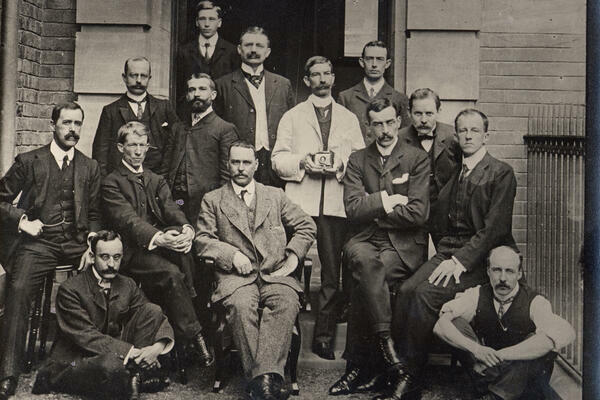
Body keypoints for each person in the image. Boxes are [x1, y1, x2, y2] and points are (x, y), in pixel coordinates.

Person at [387, 109, 518, 400]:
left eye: (475, 130)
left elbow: (494, 231)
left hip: (480, 257)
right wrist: (446, 253)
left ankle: (412, 379)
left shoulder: (500, 172)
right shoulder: (457, 170)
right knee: (407, 290)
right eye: (463, 130)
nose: (469, 135)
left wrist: (458, 261)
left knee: (426, 295)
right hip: (450, 249)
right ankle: (396, 369)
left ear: (486, 135)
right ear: (456, 135)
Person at [195, 141, 316, 400]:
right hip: (235, 279)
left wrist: (294, 257)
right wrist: (231, 254)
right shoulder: (213, 200)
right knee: (240, 306)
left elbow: (306, 225)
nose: (240, 168)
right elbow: (202, 240)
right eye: (235, 162)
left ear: (256, 165)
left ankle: (260, 384)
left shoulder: (275, 195)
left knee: (286, 301)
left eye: (246, 162)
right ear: (228, 164)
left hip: (275, 275)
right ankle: (267, 382)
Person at [0, 102, 101, 399]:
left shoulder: (90, 166)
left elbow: (95, 211)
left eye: (77, 124)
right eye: (66, 123)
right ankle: (8, 372)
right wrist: (22, 221)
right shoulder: (30, 161)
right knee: (18, 289)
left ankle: (87, 364)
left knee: (107, 278)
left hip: (77, 244)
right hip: (39, 243)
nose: (72, 129)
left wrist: (92, 244)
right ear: (53, 125)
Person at [329, 98, 430, 396]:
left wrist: (375, 209)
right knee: (363, 261)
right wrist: (390, 200)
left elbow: (418, 213)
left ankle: (360, 368)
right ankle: (390, 357)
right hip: (363, 240)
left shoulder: (417, 158)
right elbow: (352, 209)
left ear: (399, 121)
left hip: (402, 244)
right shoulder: (358, 159)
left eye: (389, 122)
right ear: (368, 126)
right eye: (377, 124)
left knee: (368, 276)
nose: (384, 130)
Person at [271, 56, 365, 360]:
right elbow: (277, 159)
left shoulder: (349, 118)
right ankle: (288, 333)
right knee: (290, 267)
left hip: (335, 204)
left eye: (327, 74)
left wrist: (339, 165)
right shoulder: (293, 116)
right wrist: (303, 161)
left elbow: (360, 161)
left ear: (333, 79)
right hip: (300, 202)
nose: (322, 79)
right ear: (307, 81)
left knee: (330, 273)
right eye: (315, 75)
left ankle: (323, 337)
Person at [101, 121, 213, 368]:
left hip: (160, 249)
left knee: (184, 246)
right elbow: (127, 221)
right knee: (173, 273)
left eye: (143, 145)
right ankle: (195, 335)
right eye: (132, 145)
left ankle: (186, 324)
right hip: (131, 252)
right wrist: (160, 238)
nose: (139, 151)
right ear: (121, 148)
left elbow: (171, 208)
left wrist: (186, 230)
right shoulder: (112, 182)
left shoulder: (155, 178)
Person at [32, 231, 175, 400]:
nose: (111, 264)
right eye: (105, 257)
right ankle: (137, 375)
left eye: (116, 257)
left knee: (153, 310)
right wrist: (134, 353)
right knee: (110, 366)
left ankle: (132, 375)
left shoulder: (127, 284)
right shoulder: (70, 289)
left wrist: (155, 349)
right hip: (77, 359)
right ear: (92, 257)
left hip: (116, 353)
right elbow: (87, 337)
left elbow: (155, 315)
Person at [433, 246, 575, 400]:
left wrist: (498, 356)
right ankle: (495, 390)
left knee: (535, 340)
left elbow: (551, 339)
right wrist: (476, 349)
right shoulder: (477, 294)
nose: (502, 278)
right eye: (496, 270)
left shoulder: (536, 302)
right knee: (454, 321)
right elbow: (440, 325)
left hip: (521, 378)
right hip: (488, 371)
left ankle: (494, 395)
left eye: (509, 271)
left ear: (519, 274)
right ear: (488, 271)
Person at [214, 26, 295, 187]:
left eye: (259, 46)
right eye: (248, 45)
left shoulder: (283, 84)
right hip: (240, 163)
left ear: (268, 52)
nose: (253, 50)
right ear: (239, 49)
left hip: (273, 162)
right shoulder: (222, 84)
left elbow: (292, 125)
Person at [162, 72, 239, 223]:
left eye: (202, 89)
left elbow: (227, 175)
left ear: (213, 94)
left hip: (206, 204)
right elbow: (166, 167)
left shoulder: (224, 129)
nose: (196, 94)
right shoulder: (178, 128)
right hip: (177, 201)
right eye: (191, 90)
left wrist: (218, 206)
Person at [92, 57, 179, 177]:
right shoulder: (110, 111)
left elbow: (176, 146)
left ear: (149, 78)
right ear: (124, 77)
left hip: (158, 179)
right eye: (133, 75)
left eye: (143, 76)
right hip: (122, 181)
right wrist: (106, 182)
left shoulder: (164, 107)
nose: (138, 80)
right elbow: (100, 152)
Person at [399, 88, 460, 226]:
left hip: (445, 212)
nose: (424, 120)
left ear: (439, 112)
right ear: (409, 113)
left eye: (429, 113)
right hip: (412, 210)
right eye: (418, 114)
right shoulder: (399, 139)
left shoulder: (453, 137)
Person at [338, 41, 410, 145]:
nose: (374, 65)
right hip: (355, 158)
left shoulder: (399, 99)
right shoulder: (346, 97)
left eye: (380, 59)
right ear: (362, 62)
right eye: (369, 59)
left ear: (387, 63)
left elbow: (405, 137)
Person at [177, 0, 239, 108]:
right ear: (196, 22)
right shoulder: (184, 51)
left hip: (222, 113)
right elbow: (180, 88)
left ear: (219, 22)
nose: (206, 24)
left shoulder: (232, 51)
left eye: (211, 19)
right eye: (202, 19)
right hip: (193, 110)